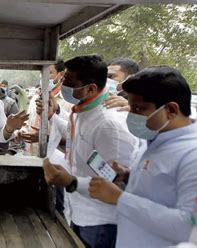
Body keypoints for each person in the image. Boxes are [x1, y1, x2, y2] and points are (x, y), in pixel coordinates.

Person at [88, 66, 197, 247]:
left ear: (171, 110)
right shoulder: (152, 138)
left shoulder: (195, 155)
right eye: (131, 106)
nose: (131, 115)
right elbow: (162, 187)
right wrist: (129, 176)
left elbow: (187, 226)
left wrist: (120, 198)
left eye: (139, 108)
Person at [42, 55, 139, 248]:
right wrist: (52, 116)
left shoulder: (109, 124)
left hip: (101, 220)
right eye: (64, 80)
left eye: (69, 82)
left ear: (91, 88)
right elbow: (74, 135)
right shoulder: (84, 111)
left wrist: (71, 182)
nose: (64, 86)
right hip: (80, 211)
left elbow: (114, 181)